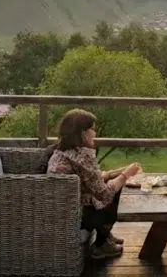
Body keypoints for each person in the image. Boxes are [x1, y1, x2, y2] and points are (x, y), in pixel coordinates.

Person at [46, 109, 142, 259]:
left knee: (112, 187)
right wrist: (126, 175)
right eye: (92, 128)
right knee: (115, 193)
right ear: (83, 132)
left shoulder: (63, 151)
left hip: (60, 212)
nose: (95, 133)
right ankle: (101, 246)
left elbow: (91, 181)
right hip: (74, 217)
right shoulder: (82, 155)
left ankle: (105, 235)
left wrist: (114, 173)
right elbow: (103, 193)